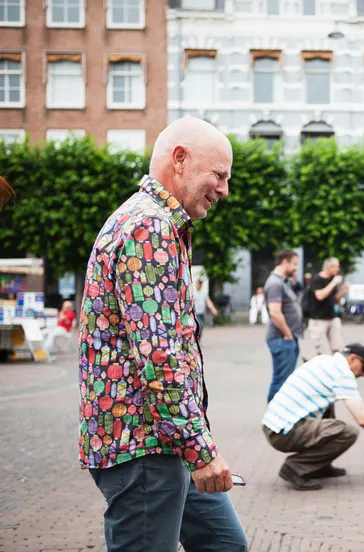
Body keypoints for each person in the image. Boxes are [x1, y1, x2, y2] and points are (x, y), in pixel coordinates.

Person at [78, 117, 247, 552]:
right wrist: (202, 451)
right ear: (180, 159)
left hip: (165, 438)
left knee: (225, 544)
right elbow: (160, 356)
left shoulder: (154, 223)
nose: (224, 189)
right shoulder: (149, 226)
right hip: (145, 443)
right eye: (220, 175)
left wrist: (193, 444)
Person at [262, 343, 364, 490]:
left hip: (273, 424)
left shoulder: (324, 360)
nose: (363, 374)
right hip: (283, 432)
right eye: (363, 368)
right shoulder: (343, 373)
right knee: (347, 433)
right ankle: (296, 468)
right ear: (353, 359)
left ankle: (318, 466)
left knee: (329, 407)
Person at [264, 249, 302, 402]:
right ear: (284, 262)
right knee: (281, 381)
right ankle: (273, 418)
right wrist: (288, 334)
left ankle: (278, 416)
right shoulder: (275, 283)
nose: (296, 268)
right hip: (282, 339)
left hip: (286, 338)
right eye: (294, 264)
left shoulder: (283, 282)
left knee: (285, 380)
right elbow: (275, 312)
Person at [308, 257, 349, 355]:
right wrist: (333, 282)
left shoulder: (331, 279)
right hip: (318, 318)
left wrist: (342, 292)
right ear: (329, 267)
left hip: (332, 316)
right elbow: (320, 296)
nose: (338, 269)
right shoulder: (318, 279)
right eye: (336, 267)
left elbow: (335, 299)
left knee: (337, 347)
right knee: (320, 350)